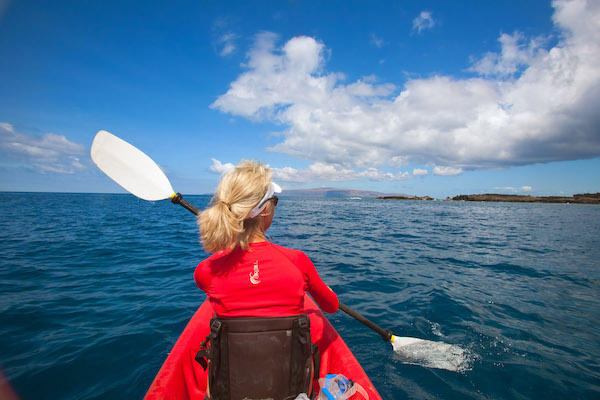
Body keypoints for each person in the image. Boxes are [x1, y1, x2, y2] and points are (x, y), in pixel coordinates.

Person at [194, 160, 339, 400]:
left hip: (227, 392)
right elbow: (332, 306)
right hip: (293, 393)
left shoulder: (207, 271)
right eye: (274, 202)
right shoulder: (298, 261)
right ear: (265, 210)